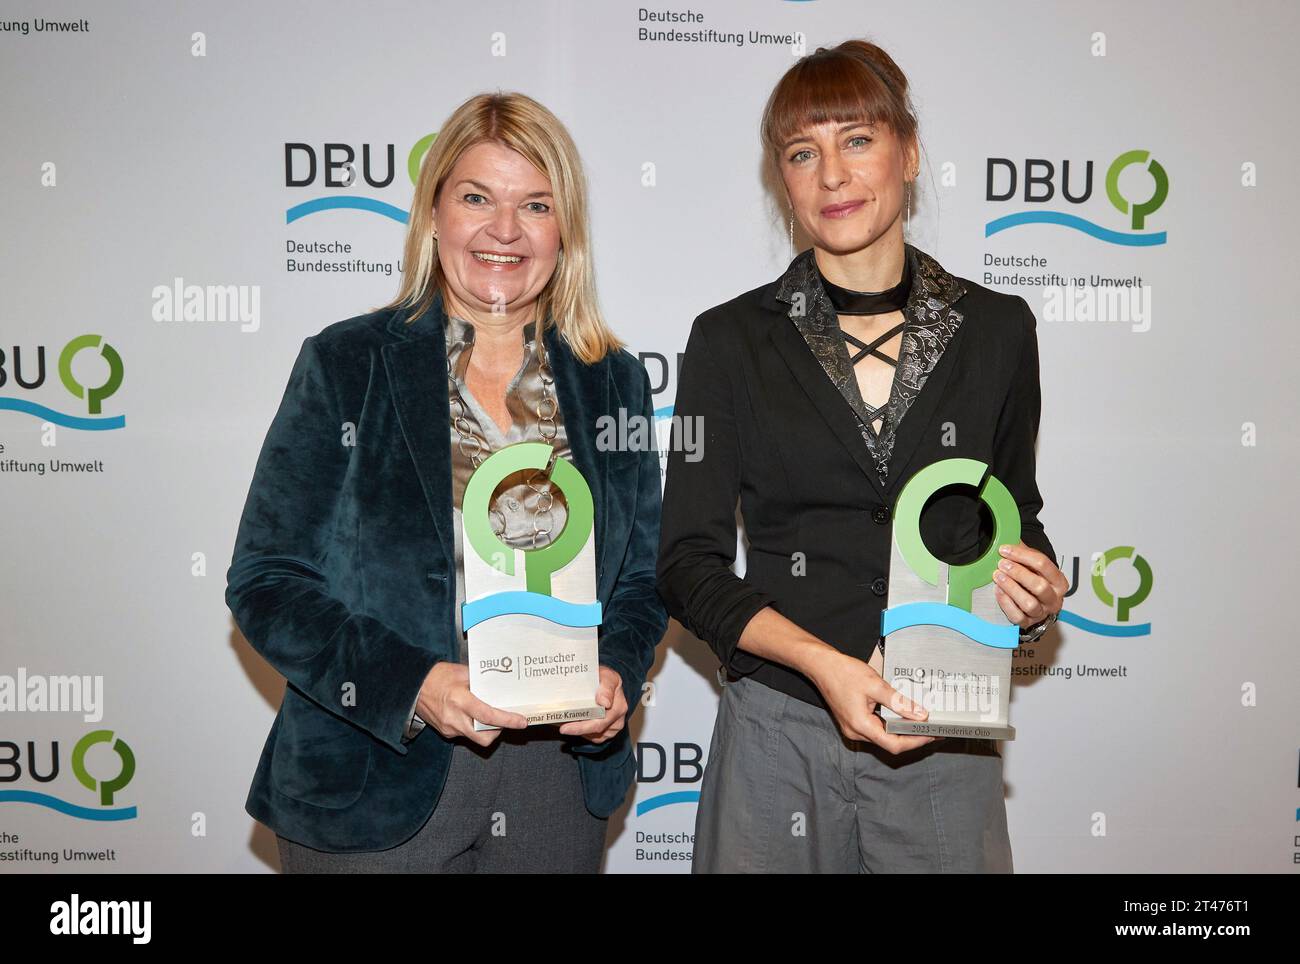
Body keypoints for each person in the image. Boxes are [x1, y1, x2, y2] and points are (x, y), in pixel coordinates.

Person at [656, 40, 1068, 873]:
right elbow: (687, 565)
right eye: (803, 153)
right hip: (778, 738)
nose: (832, 175)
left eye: (857, 139)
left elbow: (1014, 514)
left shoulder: (998, 330)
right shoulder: (730, 339)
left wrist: (1040, 589)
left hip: (943, 738)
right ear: (784, 181)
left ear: (909, 153)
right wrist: (825, 666)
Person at [226, 91, 666, 873]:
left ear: (565, 232)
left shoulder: (613, 381)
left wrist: (618, 673)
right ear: (433, 215)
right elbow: (268, 581)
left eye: (535, 204)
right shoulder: (348, 364)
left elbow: (641, 579)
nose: (504, 230)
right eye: (476, 198)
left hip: (556, 782)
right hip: (375, 770)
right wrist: (413, 685)